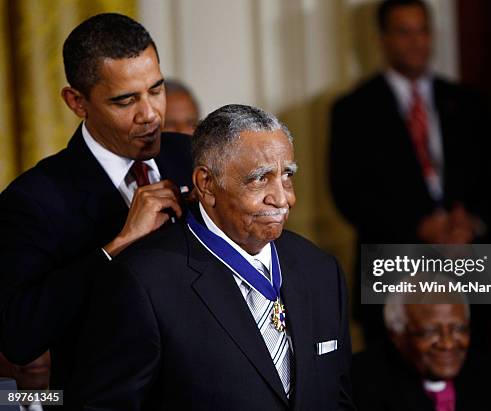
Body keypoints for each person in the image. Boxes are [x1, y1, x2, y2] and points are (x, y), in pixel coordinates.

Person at [67, 104, 354, 410]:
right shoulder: (144, 283)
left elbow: (339, 398)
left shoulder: (321, 270)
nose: (282, 198)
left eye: (287, 176)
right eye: (260, 179)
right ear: (206, 184)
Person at [0, 13, 193, 391]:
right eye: (126, 101)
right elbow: (19, 336)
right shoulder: (33, 200)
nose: (150, 114)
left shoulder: (192, 158)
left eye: (156, 90)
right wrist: (117, 246)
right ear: (77, 101)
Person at [329, 0, 491, 345]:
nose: (417, 42)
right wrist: (419, 226)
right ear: (382, 38)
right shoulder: (353, 110)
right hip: (393, 273)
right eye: (404, 32)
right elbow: (348, 193)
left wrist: (471, 224)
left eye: (423, 30)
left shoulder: (468, 102)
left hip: (468, 270)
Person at [352, 302, 491, 411]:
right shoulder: (358, 385)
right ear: (397, 335)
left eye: (459, 329)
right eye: (430, 332)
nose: (447, 343)